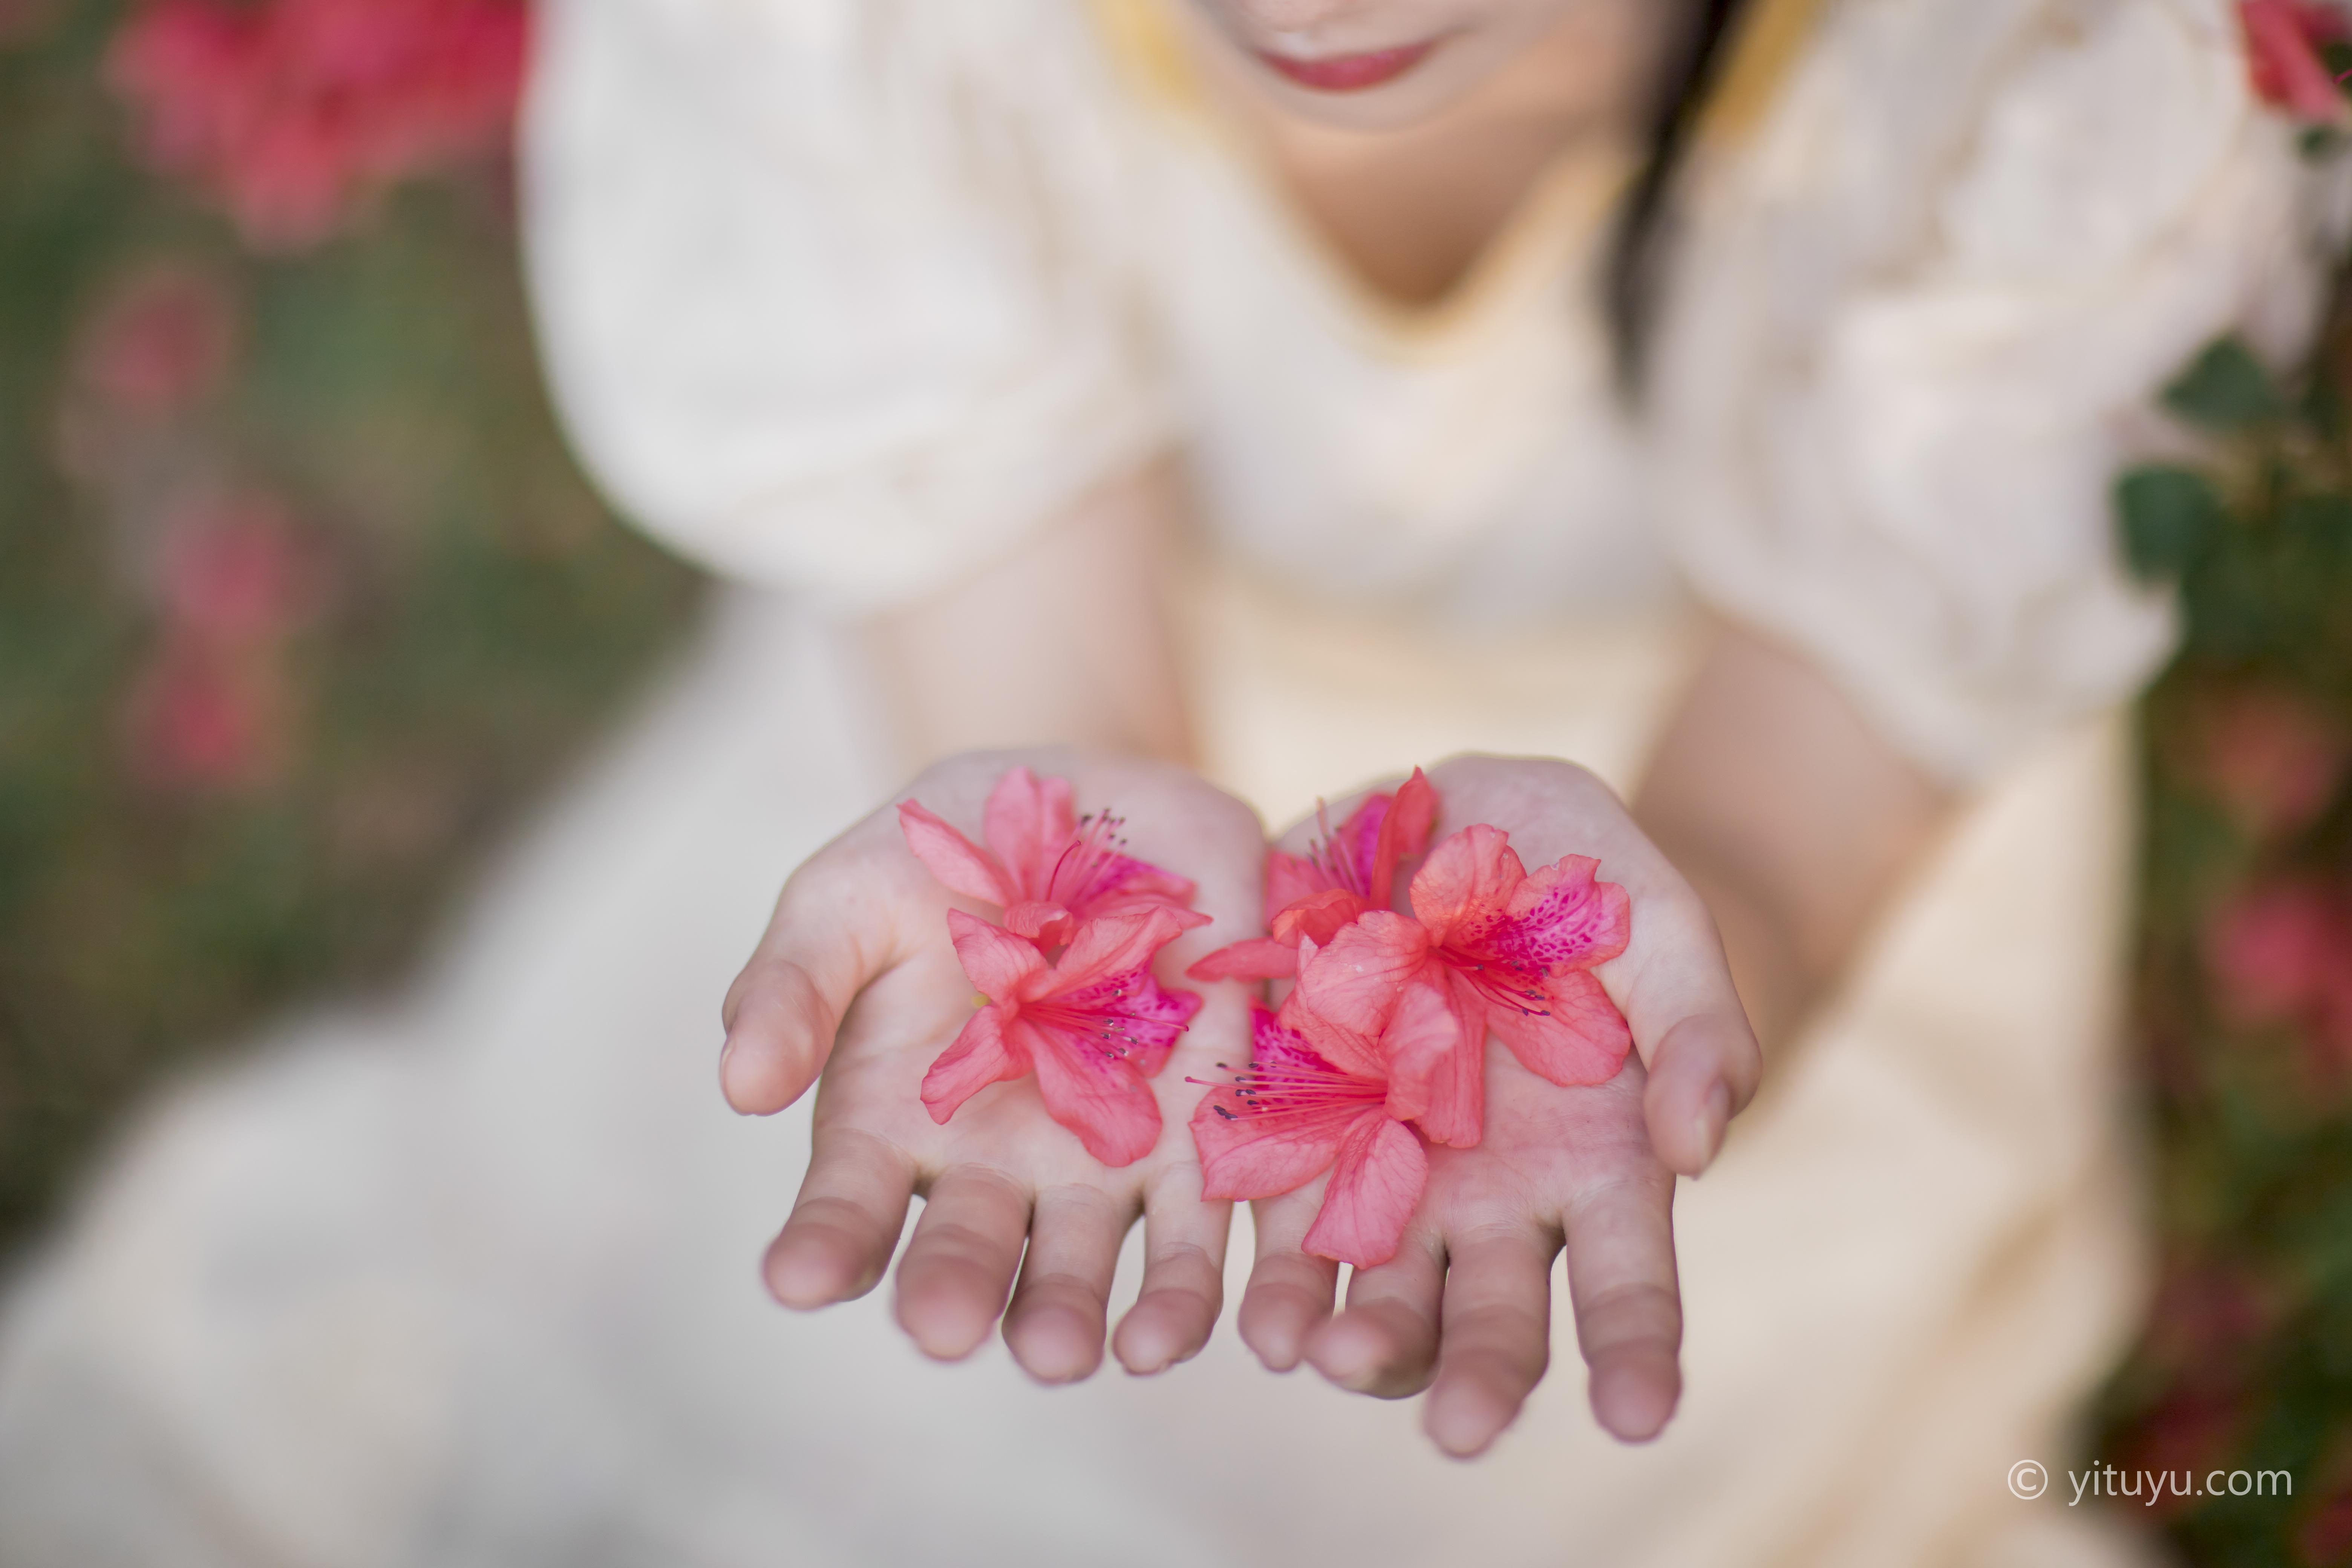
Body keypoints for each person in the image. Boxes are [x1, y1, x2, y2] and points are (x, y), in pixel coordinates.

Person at [0, 0, 2333, 1563]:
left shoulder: (2056, 70)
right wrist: (1070, 871)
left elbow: (1781, 821)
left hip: (1740, 909)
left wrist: (1691, 924)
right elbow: (1056, 684)